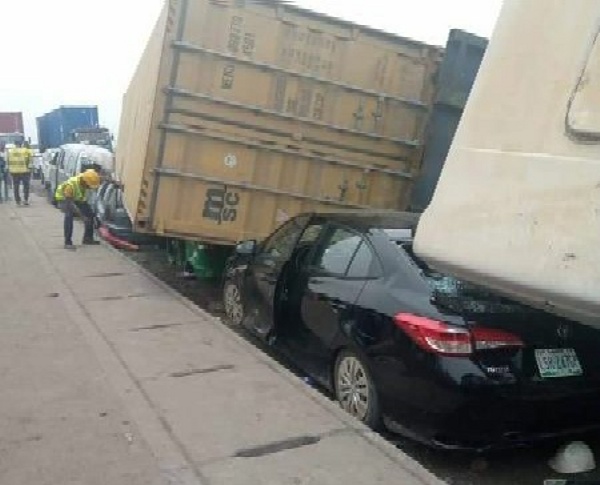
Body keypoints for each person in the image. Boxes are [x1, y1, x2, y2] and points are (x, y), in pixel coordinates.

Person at [54, 169, 101, 250]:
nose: (89, 187)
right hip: (64, 200)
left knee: (90, 214)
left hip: (77, 199)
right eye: (88, 185)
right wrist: (82, 217)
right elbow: (71, 205)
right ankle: (67, 242)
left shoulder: (83, 181)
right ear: (84, 181)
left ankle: (88, 238)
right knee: (69, 216)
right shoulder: (70, 186)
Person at [6, 140, 32, 206]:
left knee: (16, 186)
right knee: (26, 186)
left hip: (14, 172)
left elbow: (8, 161)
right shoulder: (26, 151)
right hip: (24, 171)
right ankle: (25, 200)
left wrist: (9, 170)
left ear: (15, 144)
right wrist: (29, 169)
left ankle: (18, 201)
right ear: (21, 144)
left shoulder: (10, 151)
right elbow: (29, 161)